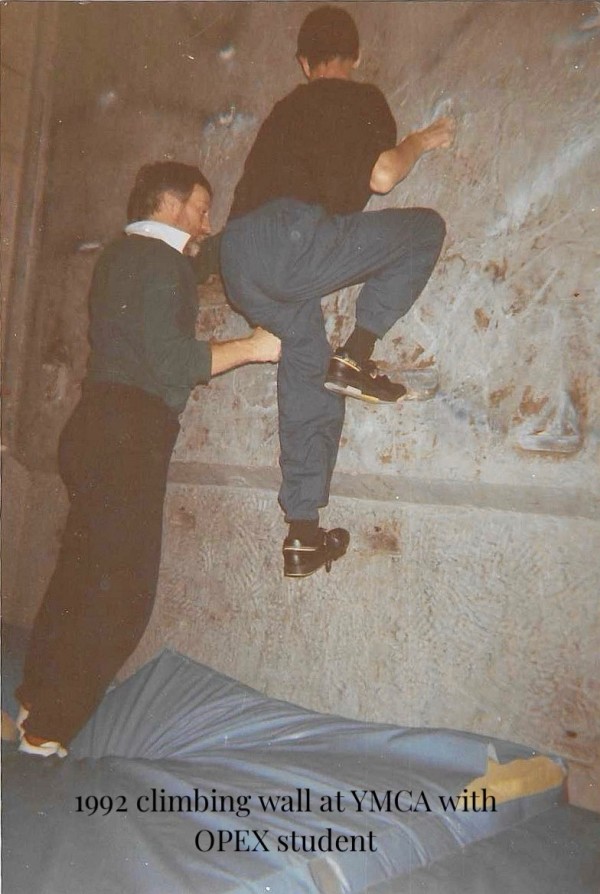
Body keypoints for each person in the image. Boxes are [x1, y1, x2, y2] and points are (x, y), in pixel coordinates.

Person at [16, 161, 281, 757]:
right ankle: (51, 728)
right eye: (202, 208)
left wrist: (224, 246)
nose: (207, 222)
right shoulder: (162, 266)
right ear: (171, 204)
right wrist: (255, 347)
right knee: (124, 590)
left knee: (81, 571)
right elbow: (173, 361)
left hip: (91, 427)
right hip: (131, 433)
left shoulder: (122, 255)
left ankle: (35, 696)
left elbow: (178, 279)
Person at [220, 6, 454, 579]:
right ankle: (361, 351)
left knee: (305, 363)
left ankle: (302, 531)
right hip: (293, 239)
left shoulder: (285, 109)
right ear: (356, 57)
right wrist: (420, 140)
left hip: (238, 258)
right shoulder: (362, 98)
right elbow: (382, 177)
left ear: (304, 63)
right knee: (426, 229)